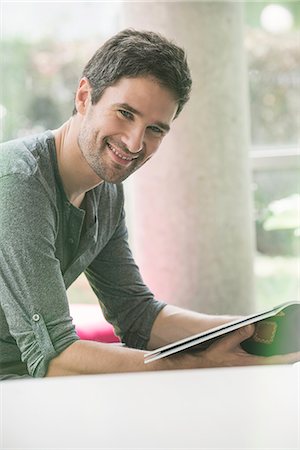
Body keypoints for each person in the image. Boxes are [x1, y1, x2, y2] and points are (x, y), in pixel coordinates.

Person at [0, 29, 299, 380]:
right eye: (125, 113)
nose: (134, 143)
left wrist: (246, 330)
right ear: (84, 97)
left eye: (156, 129)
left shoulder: (106, 191)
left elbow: (137, 317)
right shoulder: (19, 182)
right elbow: (55, 356)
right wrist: (202, 364)